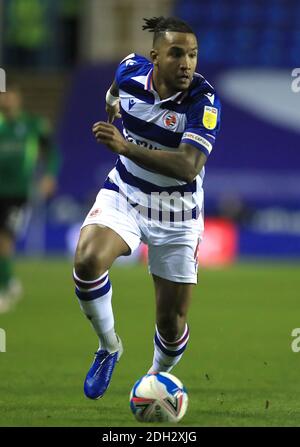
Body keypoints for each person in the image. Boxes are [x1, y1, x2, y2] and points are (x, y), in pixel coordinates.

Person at [73, 16, 221, 400]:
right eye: (177, 54)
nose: (187, 63)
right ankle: (109, 347)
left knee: (171, 324)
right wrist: (111, 106)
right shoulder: (129, 71)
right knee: (87, 261)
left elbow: (188, 165)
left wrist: (125, 146)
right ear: (155, 56)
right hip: (126, 193)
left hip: (177, 213)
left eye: (193, 54)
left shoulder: (203, 102)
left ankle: (155, 379)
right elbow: (114, 88)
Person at [0, 84, 59, 313]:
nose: (6, 101)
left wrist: (49, 176)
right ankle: (11, 282)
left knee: (4, 240)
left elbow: (53, 152)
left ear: (18, 98)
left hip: (17, 193)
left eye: (9, 96)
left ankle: (4, 290)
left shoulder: (33, 125)